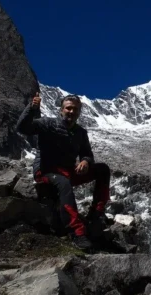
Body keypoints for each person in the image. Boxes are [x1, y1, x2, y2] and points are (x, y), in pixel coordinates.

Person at [16, 92, 111, 251]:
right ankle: (76, 232)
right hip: (45, 171)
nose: (71, 112)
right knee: (63, 183)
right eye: (68, 108)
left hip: (68, 171)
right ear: (61, 110)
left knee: (102, 169)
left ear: (79, 112)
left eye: (75, 109)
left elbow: (87, 154)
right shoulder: (48, 124)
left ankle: (97, 213)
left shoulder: (81, 133)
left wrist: (85, 161)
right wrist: (32, 108)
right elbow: (22, 127)